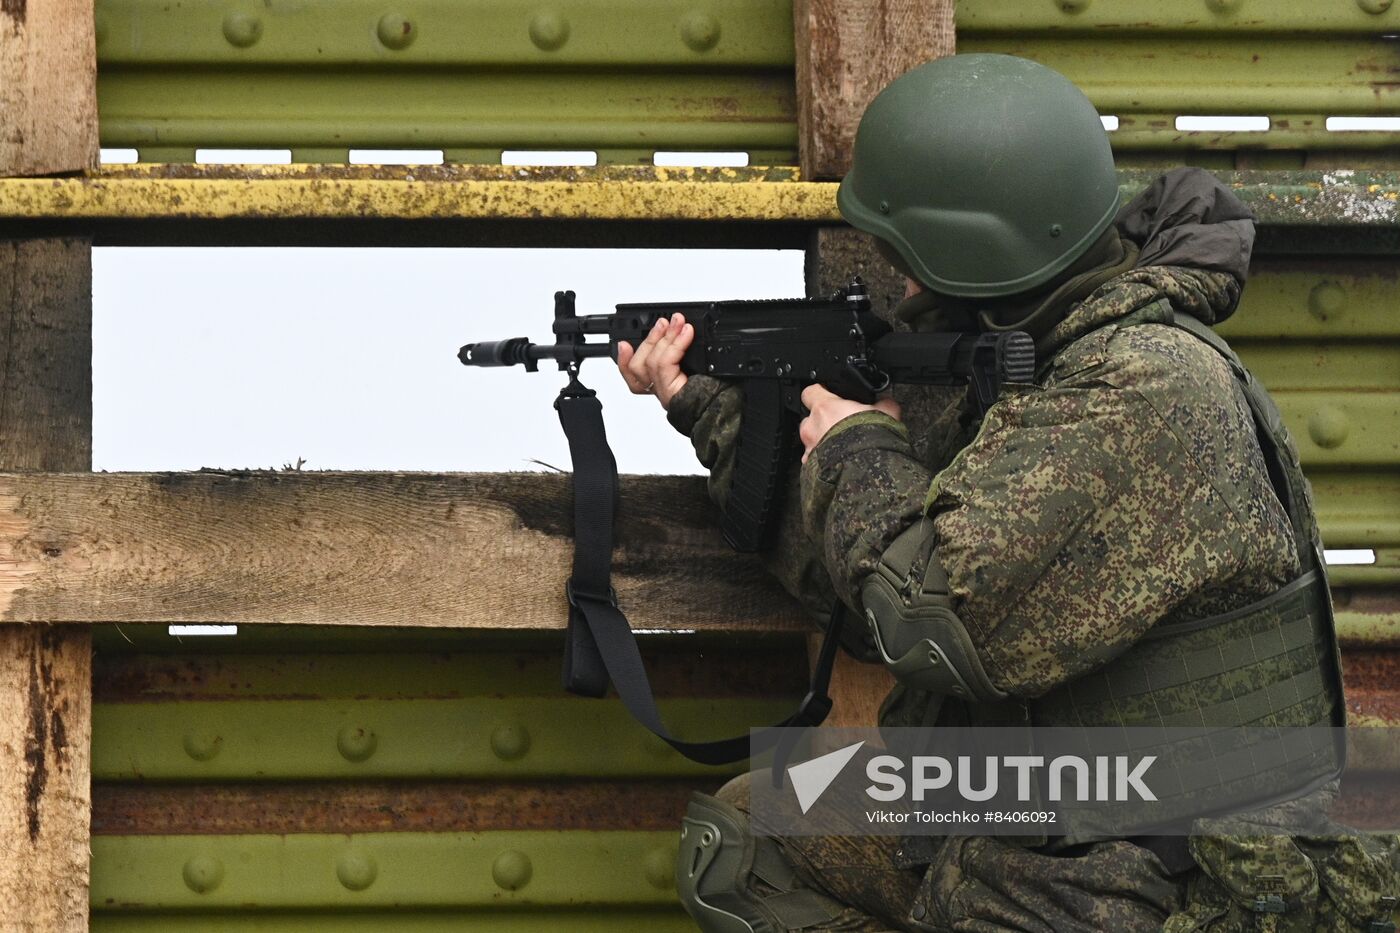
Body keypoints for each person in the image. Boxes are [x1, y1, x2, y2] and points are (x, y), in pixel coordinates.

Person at [616, 54, 1397, 932]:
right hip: (1058, 793)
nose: (901, 289)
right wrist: (708, 408)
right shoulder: (1053, 361)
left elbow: (930, 621)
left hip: (1163, 861)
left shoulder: (1139, 390)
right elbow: (864, 577)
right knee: (749, 830)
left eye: (908, 261)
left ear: (973, 252)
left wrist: (860, 447)